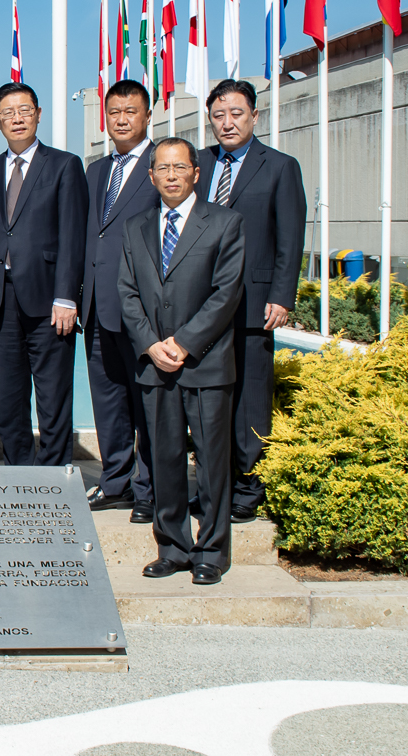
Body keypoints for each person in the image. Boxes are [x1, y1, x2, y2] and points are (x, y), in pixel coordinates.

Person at [118, 137, 245, 586]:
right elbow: (127, 293)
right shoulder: (135, 227)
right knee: (164, 458)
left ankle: (212, 552)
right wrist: (152, 345)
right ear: (150, 176)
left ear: (196, 172)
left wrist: (185, 343)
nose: (171, 175)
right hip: (155, 364)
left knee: (211, 462)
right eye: (162, 168)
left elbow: (226, 293)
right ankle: (171, 547)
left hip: (205, 363)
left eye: (180, 167)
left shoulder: (225, 223)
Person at [196, 79, 307, 522]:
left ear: (254, 116)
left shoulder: (279, 166)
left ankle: (248, 484)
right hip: (201, 306)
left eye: (236, 114)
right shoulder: (198, 163)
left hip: (254, 301)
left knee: (249, 395)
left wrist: (282, 295)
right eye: (219, 115)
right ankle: (213, 487)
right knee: (207, 398)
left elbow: (290, 237)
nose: (227, 123)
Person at [0, 82, 89, 467]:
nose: (17, 118)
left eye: (24, 110)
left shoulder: (64, 165)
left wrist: (67, 295)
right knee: (9, 396)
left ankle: (55, 474)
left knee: (52, 394)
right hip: (0, 300)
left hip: (49, 299)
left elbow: (75, 235)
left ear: (39, 114)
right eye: (7, 113)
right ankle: (19, 473)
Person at [82, 81, 159, 521]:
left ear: (147, 115)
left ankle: (148, 487)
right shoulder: (96, 171)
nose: (122, 119)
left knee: (145, 400)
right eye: (114, 112)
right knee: (108, 399)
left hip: (142, 309)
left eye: (131, 111)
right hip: (96, 308)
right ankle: (116, 482)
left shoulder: (160, 164)